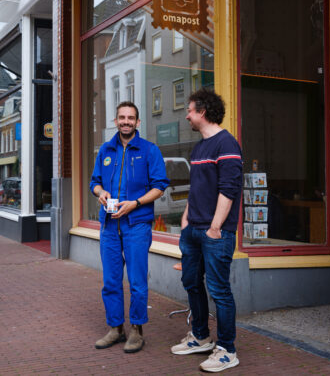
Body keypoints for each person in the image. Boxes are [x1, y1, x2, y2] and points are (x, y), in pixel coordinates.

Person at [171, 89, 243, 373]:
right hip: (193, 231)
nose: (187, 115)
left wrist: (215, 228)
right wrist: (187, 220)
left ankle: (227, 350)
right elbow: (197, 190)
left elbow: (229, 190)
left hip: (215, 234)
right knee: (191, 282)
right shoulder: (199, 147)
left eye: (189, 110)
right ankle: (201, 336)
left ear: (202, 112)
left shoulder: (227, 144)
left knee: (219, 291)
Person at [90, 101, 169, 353]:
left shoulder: (149, 151)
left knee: (136, 281)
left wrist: (135, 203)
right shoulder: (105, 150)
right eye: (122, 117)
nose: (126, 121)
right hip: (110, 226)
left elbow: (159, 186)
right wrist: (100, 193)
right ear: (115, 121)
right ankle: (115, 328)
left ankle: (136, 329)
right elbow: (95, 182)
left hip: (137, 225)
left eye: (131, 117)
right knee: (111, 280)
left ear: (138, 122)